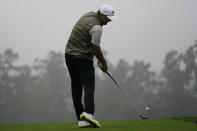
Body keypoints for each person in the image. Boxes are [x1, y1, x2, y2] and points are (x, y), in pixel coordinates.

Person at [65, 4, 116, 128]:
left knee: (76, 87)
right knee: (89, 86)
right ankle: (89, 113)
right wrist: (103, 63)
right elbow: (96, 47)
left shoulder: (88, 14)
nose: (109, 21)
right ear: (102, 15)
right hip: (82, 59)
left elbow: (86, 40)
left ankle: (81, 119)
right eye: (108, 18)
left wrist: (97, 60)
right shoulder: (97, 28)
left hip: (69, 56)